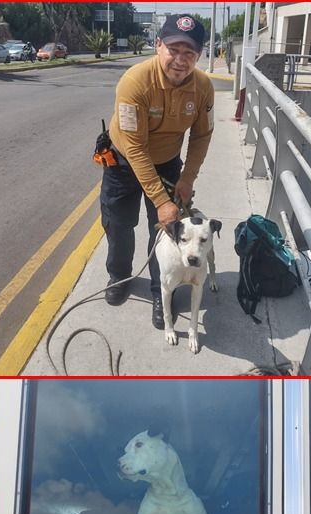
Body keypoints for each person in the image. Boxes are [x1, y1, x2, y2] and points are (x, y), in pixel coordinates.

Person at [102, 14, 214, 329]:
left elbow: (203, 134)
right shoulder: (135, 81)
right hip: (124, 161)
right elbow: (135, 148)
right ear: (158, 45)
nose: (180, 60)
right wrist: (160, 199)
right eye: (173, 49)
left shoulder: (203, 87)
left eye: (189, 52)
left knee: (166, 230)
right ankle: (119, 276)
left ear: (199, 55)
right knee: (119, 223)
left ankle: (160, 291)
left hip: (167, 162)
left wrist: (187, 177)